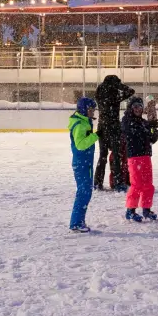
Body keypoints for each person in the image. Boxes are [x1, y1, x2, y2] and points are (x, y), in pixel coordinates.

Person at [121, 96, 158, 222]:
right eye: (135, 107)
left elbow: (150, 139)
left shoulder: (142, 122)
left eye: (140, 107)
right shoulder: (127, 121)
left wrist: (156, 134)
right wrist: (149, 130)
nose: (138, 109)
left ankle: (146, 209)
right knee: (136, 184)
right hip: (135, 157)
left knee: (148, 185)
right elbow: (135, 134)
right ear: (131, 108)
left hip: (146, 156)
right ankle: (130, 211)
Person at [94, 75, 135, 192]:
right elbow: (131, 91)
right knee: (116, 156)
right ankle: (117, 182)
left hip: (102, 127)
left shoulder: (100, 92)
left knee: (103, 156)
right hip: (113, 127)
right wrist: (119, 86)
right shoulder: (115, 95)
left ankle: (98, 182)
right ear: (114, 83)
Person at [68, 97, 99, 233]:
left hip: (85, 162)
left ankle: (79, 220)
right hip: (81, 163)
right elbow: (80, 145)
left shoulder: (84, 121)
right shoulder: (80, 125)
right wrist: (96, 136)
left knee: (86, 192)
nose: (93, 113)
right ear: (84, 110)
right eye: (91, 110)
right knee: (84, 192)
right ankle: (76, 222)